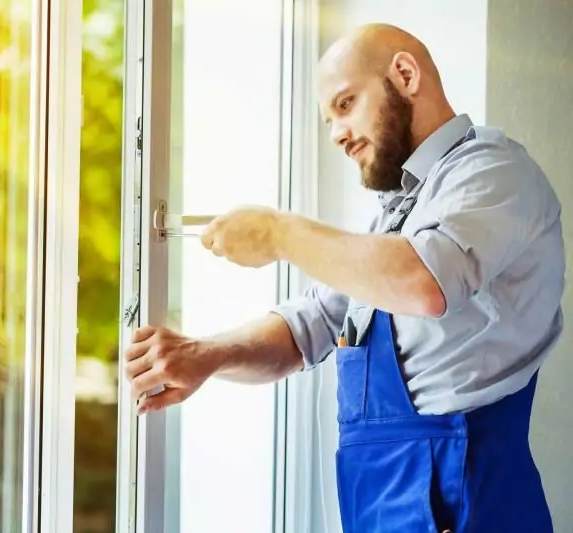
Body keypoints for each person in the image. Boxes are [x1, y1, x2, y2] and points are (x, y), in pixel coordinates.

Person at [123, 22, 564, 532]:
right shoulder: (397, 215)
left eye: (345, 103)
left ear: (404, 74)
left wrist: (278, 233)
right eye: (328, 118)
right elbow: (308, 325)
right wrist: (206, 355)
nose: (335, 134)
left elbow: (425, 283)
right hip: (382, 502)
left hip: (465, 503)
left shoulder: (492, 171)